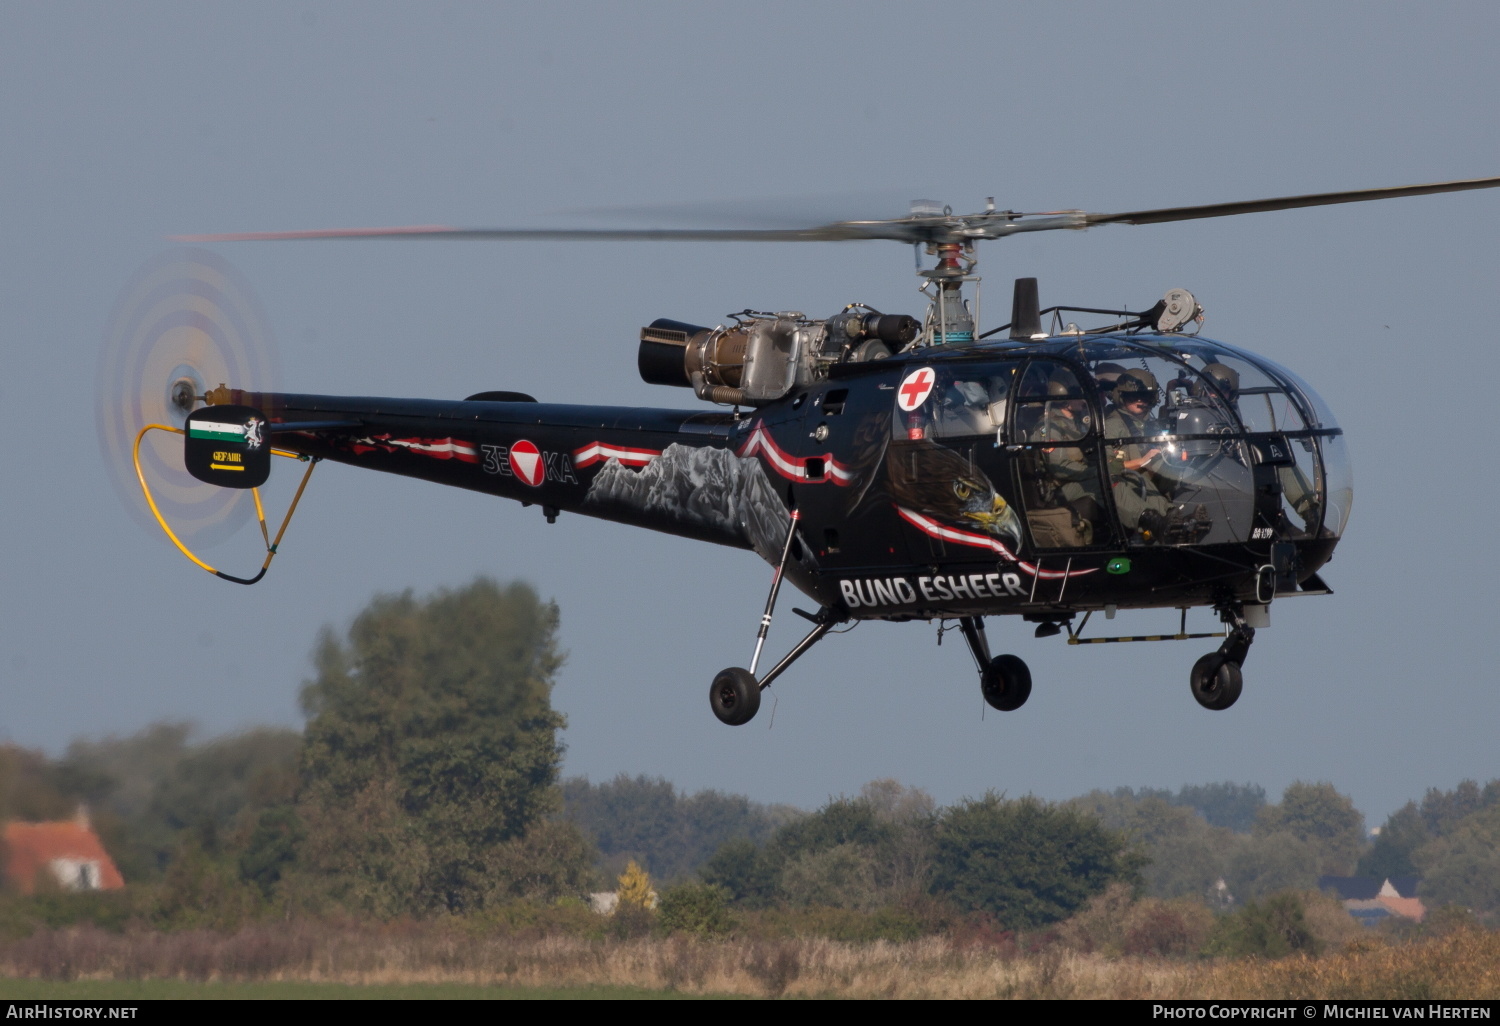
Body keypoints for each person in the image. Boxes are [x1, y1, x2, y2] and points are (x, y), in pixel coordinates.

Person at [1195, 362, 1322, 533]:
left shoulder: (1228, 415)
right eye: (1213, 390)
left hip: (1234, 467)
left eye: (1224, 392)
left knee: (1277, 461)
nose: (1217, 397)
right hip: (1204, 471)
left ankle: (1311, 515)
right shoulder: (1189, 414)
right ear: (1201, 389)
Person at [1029, 377, 1104, 543]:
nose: (1083, 399)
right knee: (1105, 484)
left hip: (1075, 481)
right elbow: (1059, 467)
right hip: (1058, 490)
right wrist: (1097, 472)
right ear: (1064, 399)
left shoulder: (1076, 423)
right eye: (1078, 395)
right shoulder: (1048, 427)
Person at [1103, 369, 1173, 540]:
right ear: (1122, 397)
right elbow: (1106, 466)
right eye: (1133, 396)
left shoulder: (1151, 423)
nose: (1140, 401)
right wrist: (1141, 461)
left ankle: (1174, 516)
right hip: (1128, 480)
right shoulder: (1113, 425)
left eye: (1144, 396)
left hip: (1152, 479)